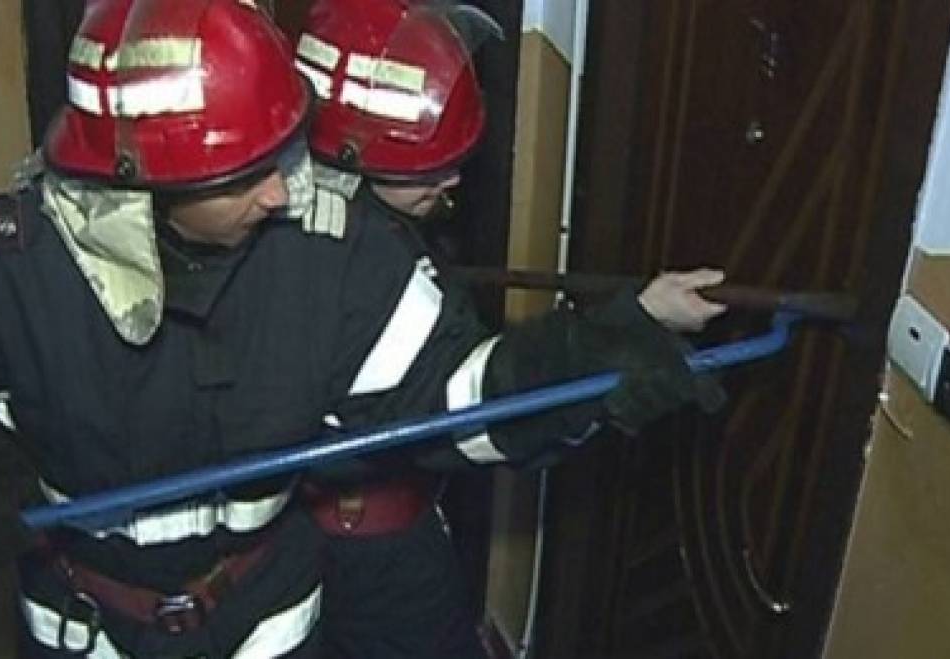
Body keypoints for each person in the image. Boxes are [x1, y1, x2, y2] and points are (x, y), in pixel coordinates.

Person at [0, 0, 720, 657]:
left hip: (270, 627)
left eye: (282, 151)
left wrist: (591, 361)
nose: (282, 191)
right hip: (84, 630)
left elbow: (457, 393)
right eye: (246, 173)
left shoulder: (337, 256)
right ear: (143, 179)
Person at [290, 1, 728, 657]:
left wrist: (643, 308)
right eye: (428, 166)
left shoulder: (283, 209)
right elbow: (476, 400)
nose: (453, 178)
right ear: (353, 150)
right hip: (374, 556)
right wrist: (614, 349)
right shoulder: (370, 270)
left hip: (308, 539)